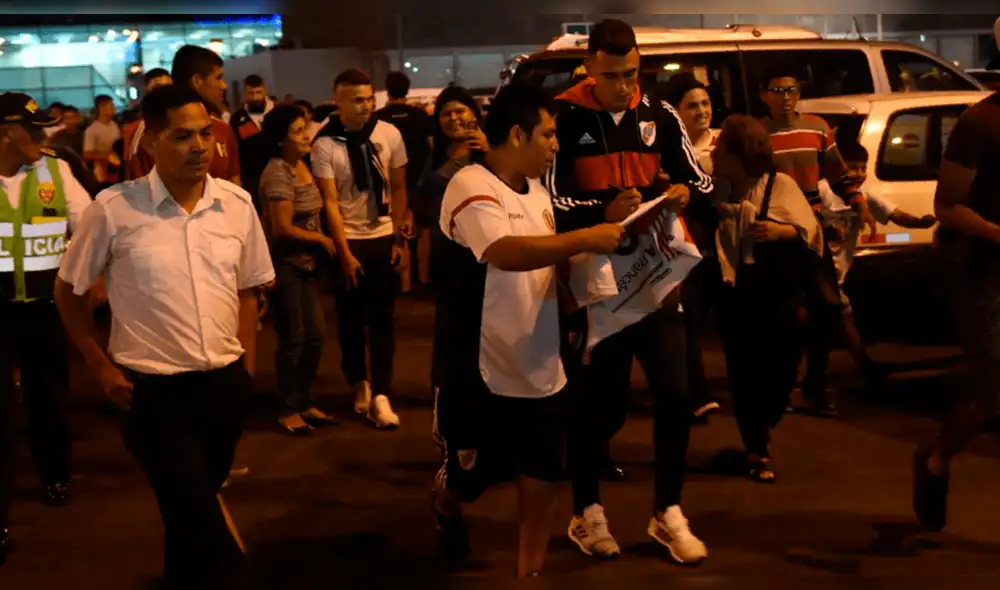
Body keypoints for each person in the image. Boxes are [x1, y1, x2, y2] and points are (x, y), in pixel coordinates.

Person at [53, 84, 273, 588]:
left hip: (223, 389)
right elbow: (68, 292)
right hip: (151, 395)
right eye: (182, 136)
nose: (200, 146)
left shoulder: (236, 205)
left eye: (204, 134)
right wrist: (100, 365)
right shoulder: (113, 210)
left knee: (186, 516)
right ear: (149, 142)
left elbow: (246, 290)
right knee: (198, 513)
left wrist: (246, 371)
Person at [431, 83, 625, 577]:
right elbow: (505, 251)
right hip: (477, 369)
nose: (555, 145)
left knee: (541, 474)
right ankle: (446, 509)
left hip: (541, 363)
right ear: (517, 135)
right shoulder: (469, 185)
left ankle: (529, 574)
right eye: (548, 134)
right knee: (468, 481)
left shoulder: (538, 192)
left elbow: (548, 258)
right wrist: (584, 236)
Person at [544, 18, 712, 563]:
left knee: (676, 392)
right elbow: (545, 199)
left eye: (632, 73)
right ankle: (586, 510)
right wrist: (601, 210)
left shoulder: (659, 114)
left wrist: (684, 189)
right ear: (589, 66)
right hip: (594, 284)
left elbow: (701, 180)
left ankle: (668, 512)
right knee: (600, 404)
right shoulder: (564, 116)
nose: (624, 84)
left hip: (656, 278)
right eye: (613, 75)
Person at [0, 92, 94, 563]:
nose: (43, 136)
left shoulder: (57, 172)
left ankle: (55, 475)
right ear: (3, 133)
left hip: (42, 310)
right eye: (32, 129)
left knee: (49, 399)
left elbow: (92, 226)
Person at [758, 63, 876, 418]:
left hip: (812, 229)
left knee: (828, 304)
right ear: (764, 95)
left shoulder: (817, 128)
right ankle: (780, 385)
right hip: (776, 230)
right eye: (778, 91)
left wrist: (860, 204)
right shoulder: (758, 134)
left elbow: (838, 173)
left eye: (792, 90)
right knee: (783, 314)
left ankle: (814, 382)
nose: (787, 99)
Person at [711, 114, 822, 483]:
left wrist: (778, 230)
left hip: (778, 295)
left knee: (781, 372)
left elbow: (809, 231)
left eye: (722, 144)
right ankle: (756, 448)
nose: (714, 150)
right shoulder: (715, 190)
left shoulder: (779, 186)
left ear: (740, 153)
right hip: (736, 295)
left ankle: (766, 422)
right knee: (743, 374)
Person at [912, 88, 1000, 533]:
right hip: (983, 270)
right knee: (992, 390)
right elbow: (946, 206)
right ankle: (936, 456)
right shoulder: (981, 122)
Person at [311, 68, 408, 429]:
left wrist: (399, 238)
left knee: (384, 319)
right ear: (338, 102)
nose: (365, 105)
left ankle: (382, 393)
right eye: (356, 99)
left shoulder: (389, 134)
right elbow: (330, 203)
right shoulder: (324, 143)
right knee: (351, 320)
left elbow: (398, 188)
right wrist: (344, 252)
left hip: (382, 234)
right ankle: (359, 382)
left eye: (369, 98)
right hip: (347, 238)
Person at [817, 140, 936, 381]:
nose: (858, 174)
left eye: (863, 168)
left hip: (837, 272)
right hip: (815, 270)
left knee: (830, 319)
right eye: (852, 167)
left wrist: (921, 222)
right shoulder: (822, 191)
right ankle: (860, 365)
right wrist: (826, 231)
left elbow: (896, 215)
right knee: (836, 314)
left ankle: (825, 373)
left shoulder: (864, 197)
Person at [259, 105, 337, 435]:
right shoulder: (279, 172)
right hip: (286, 265)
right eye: (297, 132)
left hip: (306, 266)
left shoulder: (300, 165)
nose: (305, 136)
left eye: (305, 128)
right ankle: (288, 408)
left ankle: (305, 400)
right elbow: (280, 227)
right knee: (294, 337)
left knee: (315, 336)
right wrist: (319, 237)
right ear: (281, 140)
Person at [661, 72, 723, 422]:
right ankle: (696, 394)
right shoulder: (673, 156)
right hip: (689, 248)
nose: (702, 111)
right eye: (692, 105)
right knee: (690, 320)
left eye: (705, 103)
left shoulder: (726, 142)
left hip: (725, 247)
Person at [126, 46, 240, 186]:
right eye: (218, 78)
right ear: (197, 81)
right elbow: (139, 189)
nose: (224, 86)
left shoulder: (223, 129)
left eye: (205, 134)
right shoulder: (151, 130)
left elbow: (234, 181)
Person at [376, 71, 432, 287]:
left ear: (388, 90)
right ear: (407, 89)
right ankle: (424, 278)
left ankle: (404, 283)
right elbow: (431, 146)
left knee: (399, 225)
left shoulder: (379, 117)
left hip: (390, 181)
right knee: (423, 228)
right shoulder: (420, 116)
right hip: (419, 180)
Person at [230, 74, 276, 213]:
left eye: (258, 92)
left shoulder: (277, 113)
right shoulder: (237, 119)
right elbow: (235, 149)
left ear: (265, 90)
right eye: (251, 93)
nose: (255, 97)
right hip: (251, 179)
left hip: (277, 175)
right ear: (245, 93)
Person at [123, 68, 172, 166]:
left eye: (169, 88)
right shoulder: (138, 130)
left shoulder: (180, 123)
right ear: (146, 91)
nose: (165, 94)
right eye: (158, 88)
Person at [83, 95, 122, 187]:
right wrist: (107, 156)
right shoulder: (92, 130)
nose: (114, 108)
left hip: (116, 170)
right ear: (101, 108)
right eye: (111, 106)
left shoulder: (114, 125)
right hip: (101, 172)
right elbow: (87, 153)